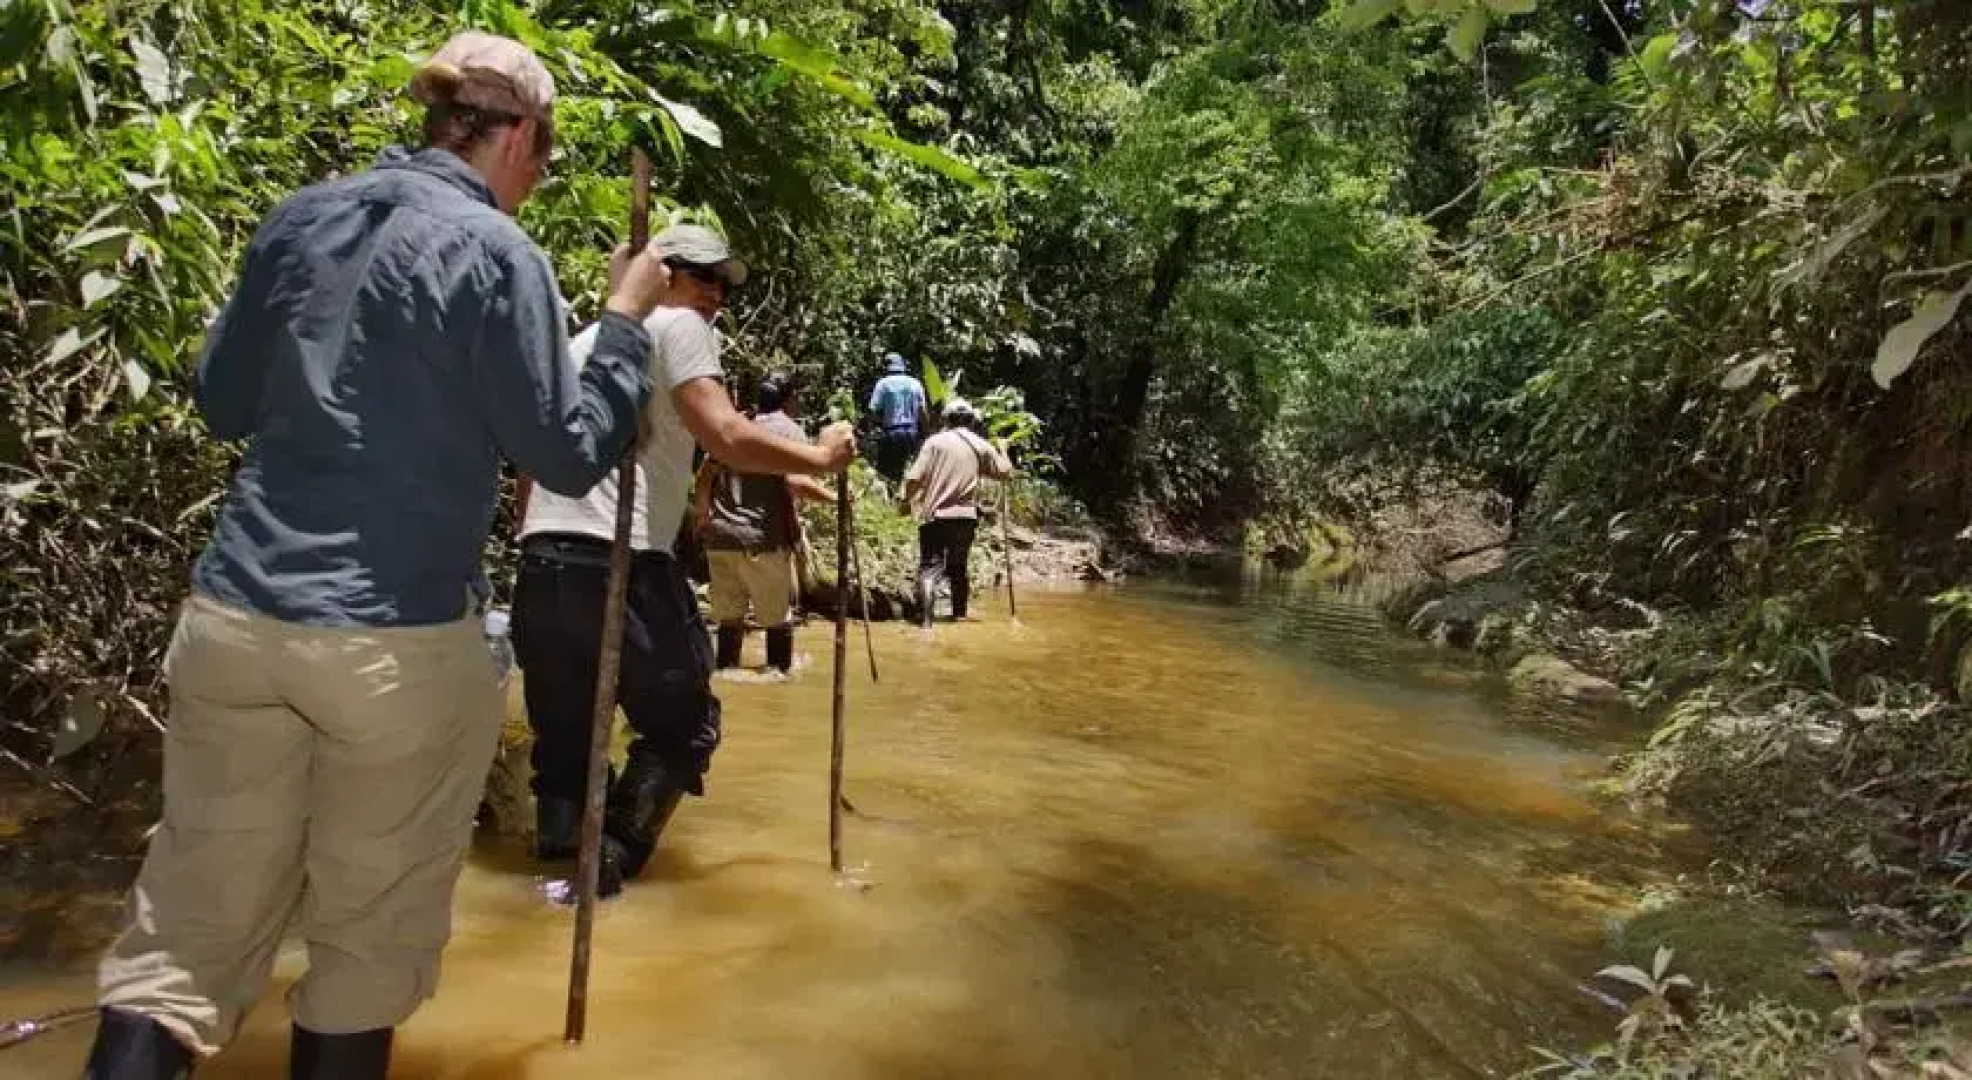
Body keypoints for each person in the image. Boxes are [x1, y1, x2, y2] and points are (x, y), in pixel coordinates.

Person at [84, 32, 675, 1080]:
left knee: (181, 943)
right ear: (520, 137)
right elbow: (567, 450)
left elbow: (221, 401)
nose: (539, 179)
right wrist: (624, 325)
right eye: (543, 157)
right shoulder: (499, 254)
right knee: (364, 944)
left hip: (236, 622)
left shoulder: (300, 218)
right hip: (393, 645)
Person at [514, 227, 856, 901]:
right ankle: (603, 869)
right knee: (685, 726)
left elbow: (533, 464)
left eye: (723, 285)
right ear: (659, 274)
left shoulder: (582, 341)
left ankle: (550, 875)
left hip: (544, 559)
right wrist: (820, 457)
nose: (715, 296)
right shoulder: (678, 327)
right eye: (702, 276)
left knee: (569, 741)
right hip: (624, 562)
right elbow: (723, 433)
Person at [694, 374, 835, 675]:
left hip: (721, 539)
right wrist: (835, 499)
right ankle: (778, 677)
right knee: (776, 619)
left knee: (729, 618)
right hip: (762, 538)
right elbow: (795, 481)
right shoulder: (786, 430)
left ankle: (726, 673)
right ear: (789, 401)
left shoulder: (735, 425)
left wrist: (703, 513)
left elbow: (706, 471)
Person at [903, 399, 1013, 628]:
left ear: (946, 419)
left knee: (930, 568)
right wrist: (1003, 449)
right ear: (971, 421)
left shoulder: (934, 443)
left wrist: (905, 500)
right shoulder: (979, 445)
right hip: (965, 518)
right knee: (958, 567)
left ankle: (925, 622)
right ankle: (959, 616)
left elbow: (914, 478)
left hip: (936, 516)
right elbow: (1005, 472)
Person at [867, 352, 929, 482]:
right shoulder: (915, 383)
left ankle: (891, 499)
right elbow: (922, 412)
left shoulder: (883, 384)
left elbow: (872, 412)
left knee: (887, 473)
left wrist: (874, 428)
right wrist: (925, 434)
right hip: (912, 433)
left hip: (891, 433)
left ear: (886, 367)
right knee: (910, 470)